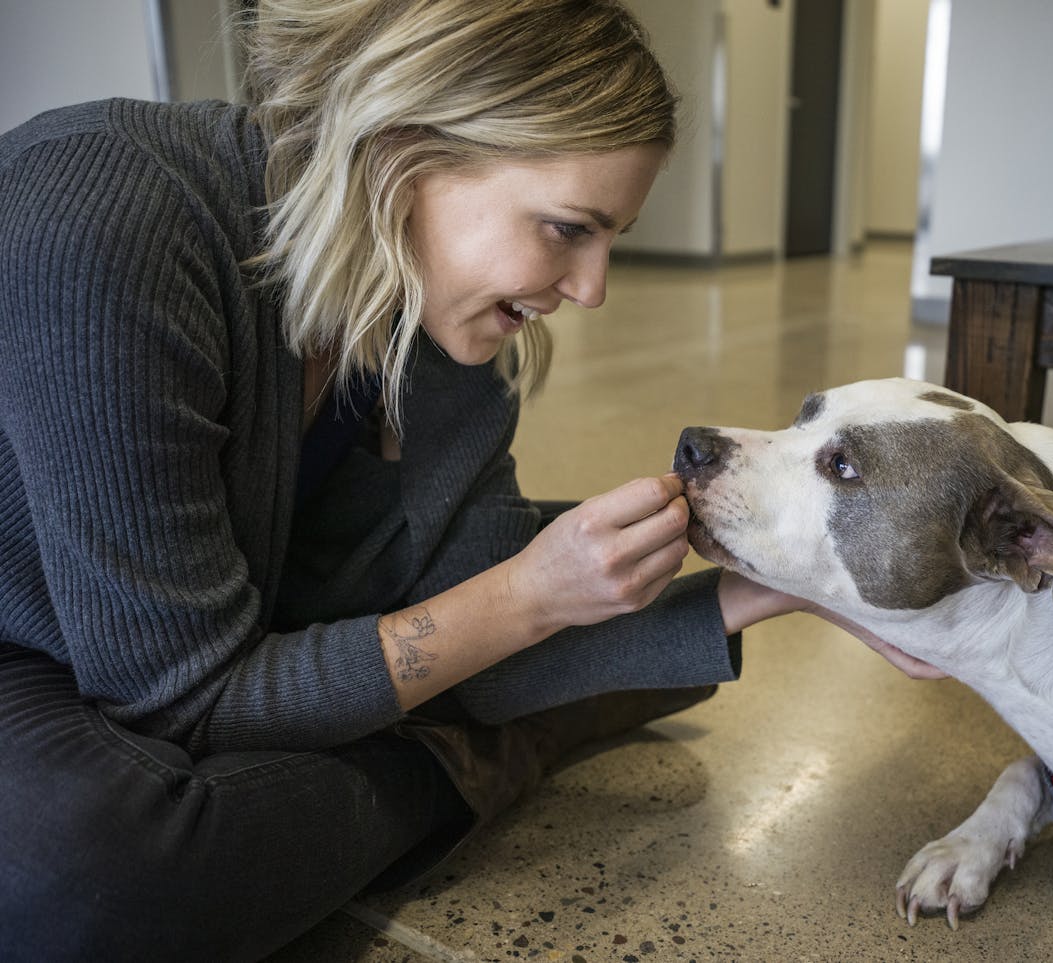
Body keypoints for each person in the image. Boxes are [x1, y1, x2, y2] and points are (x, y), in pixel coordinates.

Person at [0, 2, 811, 959]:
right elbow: (183, 699)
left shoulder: (443, 338)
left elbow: (454, 594)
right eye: (566, 229)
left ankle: (493, 720)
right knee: (80, 876)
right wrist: (523, 601)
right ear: (402, 147)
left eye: (611, 239)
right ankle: (480, 754)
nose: (592, 289)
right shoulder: (107, 215)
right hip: (39, 647)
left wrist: (779, 580)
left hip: (207, 647)